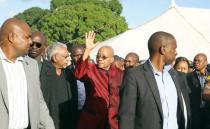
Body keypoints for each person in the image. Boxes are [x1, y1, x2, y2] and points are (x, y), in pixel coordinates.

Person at [119, 31, 191, 129]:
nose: (176, 52)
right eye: (174, 48)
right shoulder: (134, 76)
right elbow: (127, 117)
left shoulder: (175, 76)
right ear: (163, 49)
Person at [0, 18, 55, 129]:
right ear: (11, 37)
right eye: (27, 37)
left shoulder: (31, 65)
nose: (31, 42)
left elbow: (39, 102)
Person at [74, 31, 124, 129]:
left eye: (104, 57)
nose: (99, 59)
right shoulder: (91, 69)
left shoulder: (120, 73)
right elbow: (79, 73)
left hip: (113, 120)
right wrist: (87, 50)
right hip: (93, 118)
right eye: (98, 56)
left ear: (111, 59)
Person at [40, 42, 75, 129]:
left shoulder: (68, 72)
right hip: (50, 121)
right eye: (65, 57)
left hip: (67, 121)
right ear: (55, 57)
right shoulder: (44, 72)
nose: (68, 59)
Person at [67, 44, 91, 128]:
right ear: (71, 56)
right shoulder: (67, 71)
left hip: (88, 109)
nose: (79, 58)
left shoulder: (91, 70)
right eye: (76, 56)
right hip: (73, 109)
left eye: (81, 55)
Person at [187, 53, 210, 129]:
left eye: (199, 60)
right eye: (195, 60)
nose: (196, 62)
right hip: (195, 113)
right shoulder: (188, 76)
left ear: (206, 62)